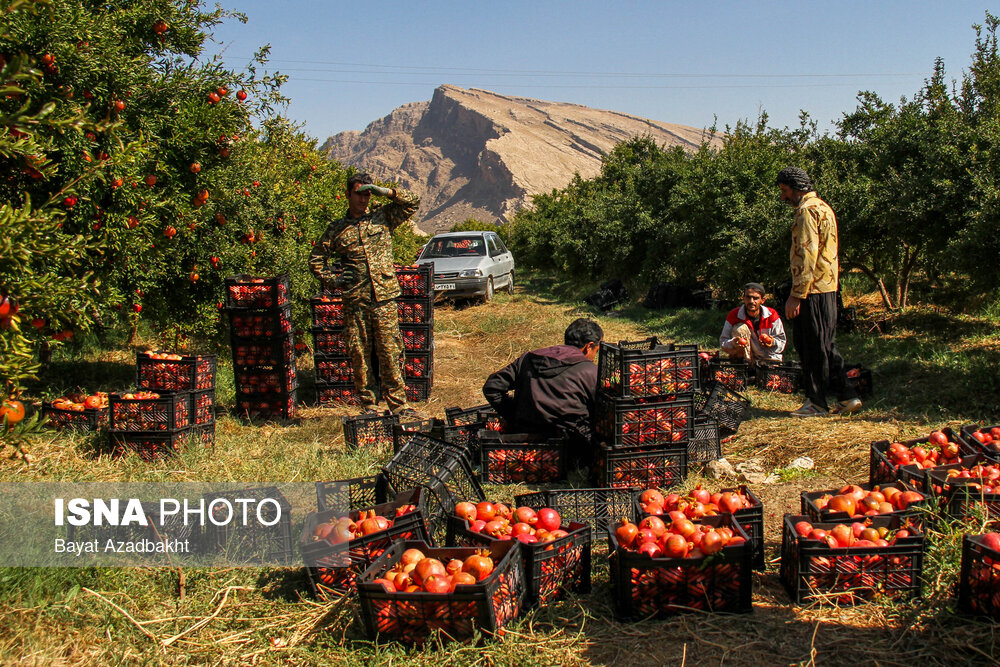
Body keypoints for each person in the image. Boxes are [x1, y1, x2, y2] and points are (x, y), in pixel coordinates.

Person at [309, 173, 421, 414]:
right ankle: (369, 405)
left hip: (384, 299)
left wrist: (388, 192)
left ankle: (399, 405)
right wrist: (333, 279)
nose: (363, 199)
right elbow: (316, 259)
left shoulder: (382, 217)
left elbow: (413, 202)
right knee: (359, 353)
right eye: (359, 193)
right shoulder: (337, 229)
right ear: (348, 194)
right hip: (355, 300)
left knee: (390, 350)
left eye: (367, 194)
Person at [776, 166, 861, 417]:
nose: (784, 197)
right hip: (827, 286)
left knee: (811, 345)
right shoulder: (824, 207)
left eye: (785, 191)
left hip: (812, 290)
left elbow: (806, 253)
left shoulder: (806, 211)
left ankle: (817, 403)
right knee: (824, 344)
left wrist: (796, 295)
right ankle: (847, 396)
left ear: (795, 187)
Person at [482, 318, 603, 467]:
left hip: (522, 442)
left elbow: (492, 387)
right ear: (589, 346)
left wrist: (514, 415)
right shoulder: (590, 372)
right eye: (596, 352)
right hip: (567, 450)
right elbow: (602, 412)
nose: (594, 358)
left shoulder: (528, 359)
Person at [719, 282, 786, 363]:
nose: (751, 301)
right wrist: (734, 343)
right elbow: (723, 342)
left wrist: (771, 342)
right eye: (748, 297)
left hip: (768, 358)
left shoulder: (772, 315)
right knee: (740, 328)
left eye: (756, 298)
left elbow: (782, 342)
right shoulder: (734, 315)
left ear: (762, 300)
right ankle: (742, 365)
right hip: (744, 359)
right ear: (743, 298)